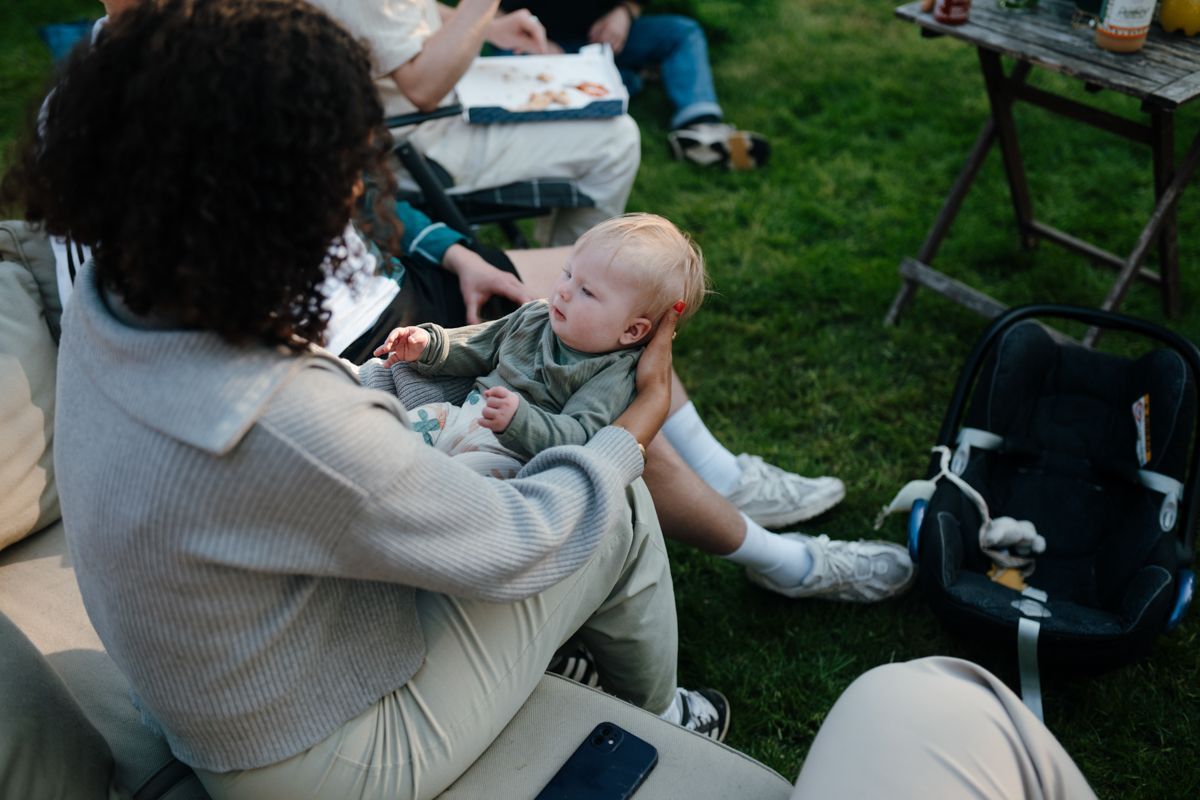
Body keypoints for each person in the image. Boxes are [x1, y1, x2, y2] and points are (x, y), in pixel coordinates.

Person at [6, 4, 729, 799]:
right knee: (608, 500)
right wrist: (629, 433)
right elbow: (518, 538)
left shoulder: (118, 298)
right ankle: (667, 712)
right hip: (324, 755)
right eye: (345, 168)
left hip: (210, 686)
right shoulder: (280, 416)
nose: (358, 188)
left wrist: (412, 377)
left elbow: (324, 444)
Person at [47, 1, 914, 607]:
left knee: (590, 313)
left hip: (382, 293)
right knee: (604, 417)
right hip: (361, 343)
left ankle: (726, 481)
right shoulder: (162, 142)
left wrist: (448, 249)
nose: (352, 176)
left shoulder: (209, 66)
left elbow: (344, 207)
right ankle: (779, 561)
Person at [373, 213, 707, 477]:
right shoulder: (536, 316)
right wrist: (428, 344)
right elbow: (480, 344)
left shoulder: (612, 374)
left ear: (632, 331)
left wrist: (520, 420)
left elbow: (578, 436)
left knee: (445, 487)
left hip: (505, 456)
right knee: (387, 442)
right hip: (457, 417)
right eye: (568, 274)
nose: (563, 291)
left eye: (587, 292)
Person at [304, 0, 642, 247]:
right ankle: (572, 286)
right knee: (618, 139)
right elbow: (423, 89)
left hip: (433, 119)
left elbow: (400, 16)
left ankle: (563, 267)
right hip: (413, 149)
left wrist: (491, 26)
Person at [500, 0, 770, 170]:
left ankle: (701, 128)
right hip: (530, 43)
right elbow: (485, 11)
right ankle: (628, 81)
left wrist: (625, 11)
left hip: (602, 38)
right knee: (506, 69)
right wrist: (534, 42)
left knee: (682, 33)